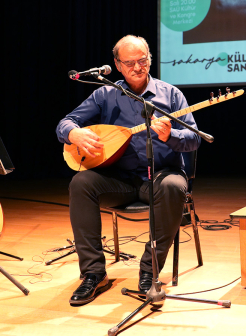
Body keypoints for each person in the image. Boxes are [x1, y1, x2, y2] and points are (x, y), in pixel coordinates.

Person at [56, 35, 201, 306]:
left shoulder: (171, 95)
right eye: (130, 62)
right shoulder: (105, 94)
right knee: (81, 183)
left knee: (173, 186)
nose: (137, 67)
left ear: (150, 60)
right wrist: (73, 133)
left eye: (142, 60)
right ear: (117, 65)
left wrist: (170, 136)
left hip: (161, 176)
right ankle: (94, 273)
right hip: (120, 180)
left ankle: (149, 271)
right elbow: (66, 122)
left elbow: (194, 139)